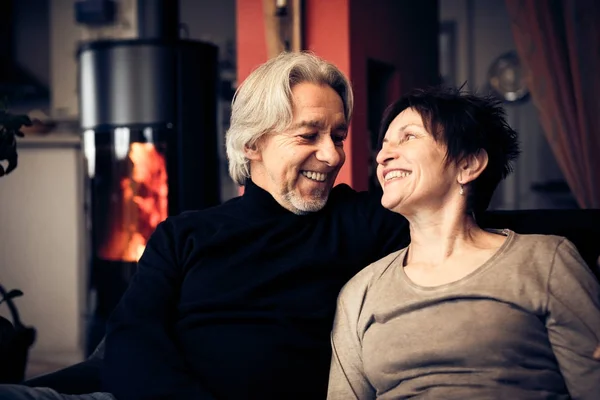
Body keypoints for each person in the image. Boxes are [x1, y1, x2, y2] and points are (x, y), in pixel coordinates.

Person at [0, 52, 410, 400]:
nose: (333, 155)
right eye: (308, 135)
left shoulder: (363, 221)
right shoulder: (183, 234)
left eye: (338, 136)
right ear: (252, 144)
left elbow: (453, 221)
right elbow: (131, 340)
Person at [327, 86, 600, 399]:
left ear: (468, 164)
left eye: (409, 136)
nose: (383, 156)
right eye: (384, 144)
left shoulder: (546, 260)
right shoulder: (360, 292)